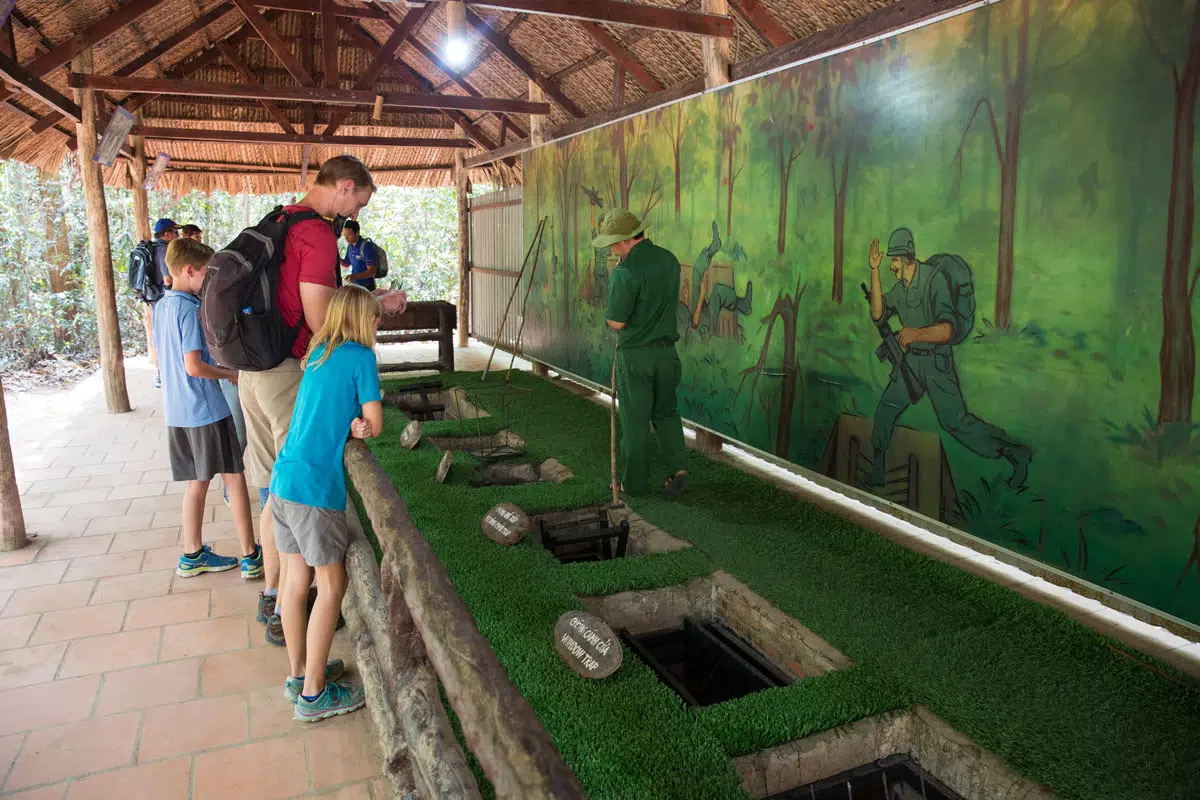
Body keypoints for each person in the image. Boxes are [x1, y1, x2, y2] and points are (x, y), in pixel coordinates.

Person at [238, 155, 377, 647]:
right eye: (356, 201)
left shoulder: (281, 217)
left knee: (271, 485)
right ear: (343, 187)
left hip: (251, 370)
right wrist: (374, 309)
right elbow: (322, 322)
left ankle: (274, 593)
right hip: (283, 370)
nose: (352, 215)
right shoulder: (316, 233)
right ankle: (288, 607)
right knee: (287, 487)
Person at [271, 284, 383, 721]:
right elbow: (375, 423)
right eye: (374, 318)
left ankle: (299, 674)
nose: (377, 325)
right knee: (331, 586)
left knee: (295, 584)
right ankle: (315, 695)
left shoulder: (316, 354)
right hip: (316, 490)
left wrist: (348, 423)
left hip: (285, 481)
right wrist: (359, 427)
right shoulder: (360, 358)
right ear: (361, 320)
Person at [865, 228, 1032, 488]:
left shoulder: (935, 281)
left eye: (893, 261)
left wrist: (915, 333)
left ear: (906, 258)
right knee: (887, 407)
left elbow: (948, 329)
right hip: (912, 362)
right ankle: (877, 468)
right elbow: (878, 314)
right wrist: (873, 270)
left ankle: (1015, 453)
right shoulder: (901, 289)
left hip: (936, 363)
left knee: (955, 422)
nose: (891, 267)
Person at [154, 237, 263, 580]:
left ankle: (192, 553)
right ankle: (250, 554)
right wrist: (229, 374)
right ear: (189, 271)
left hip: (177, 410)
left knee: (197, 482)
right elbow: (194, 365)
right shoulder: (188, 308)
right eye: (205, 275)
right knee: (234, 479)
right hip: (205, 408)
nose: (209, 283)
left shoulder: (162, 306)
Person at [595, 208, 689, 497]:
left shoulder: (624, 272)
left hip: (636, 356)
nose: (611, 248)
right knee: (667, 414)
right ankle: (678, 472)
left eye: (613, 242)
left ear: (625, 240)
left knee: (635, 422)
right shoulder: (670, 260)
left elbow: (616, 322)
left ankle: (633, 484)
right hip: (667, 355)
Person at [146, 218, 179, 389]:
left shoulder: (152, 248)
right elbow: (167, 279)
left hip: (154, 298)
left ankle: (162, 374)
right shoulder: (164, 250)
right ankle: (164, 375)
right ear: (167, 234)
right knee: (166, 337)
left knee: (159, 336)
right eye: (175, 232)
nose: (177, 236)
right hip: (162, 299)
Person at [340, 219, 378, 291]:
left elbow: (372, 272)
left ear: (357, 233)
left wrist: (354, 276)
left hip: (367, 288)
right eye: (344, 235)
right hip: (355, 286)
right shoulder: (350, 246)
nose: (346, 238)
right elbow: (346, 264)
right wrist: (336, 256)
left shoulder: (366, 247)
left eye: (349, 235)